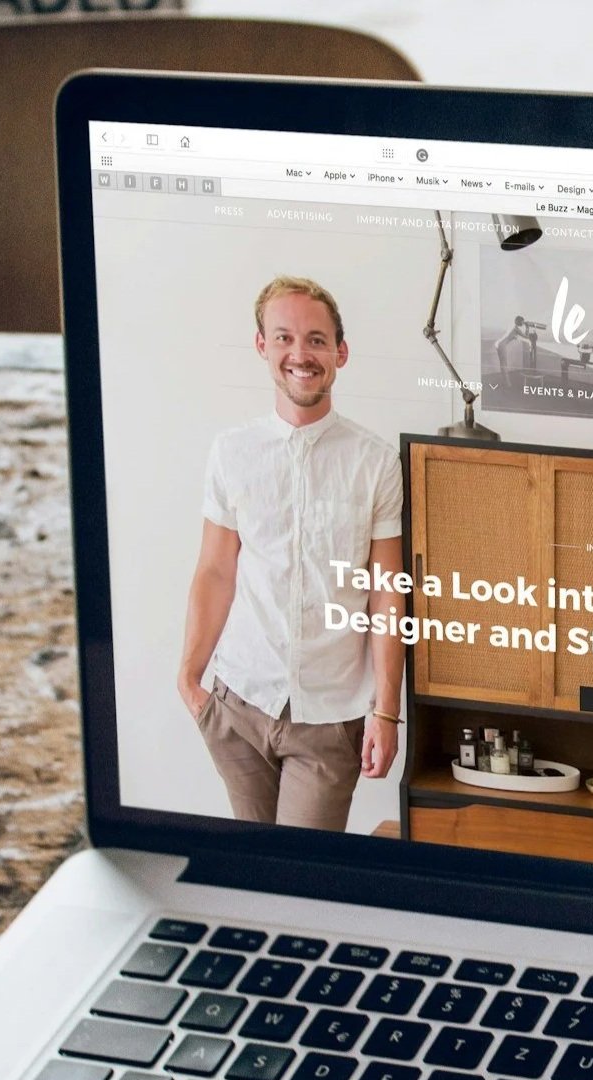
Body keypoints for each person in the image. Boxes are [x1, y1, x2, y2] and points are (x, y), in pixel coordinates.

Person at [176, 276, 404, 831]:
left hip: (331, 717)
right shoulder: (231, 452)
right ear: (262, 346)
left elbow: (387, 593)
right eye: (284, 338)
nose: (300, 354)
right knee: (255, 875)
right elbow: (215, 570)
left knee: (309, 875)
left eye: (316, 340)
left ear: (340, 352)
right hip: (237, 702)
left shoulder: (375, 462)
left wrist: (386, 712)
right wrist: (190, 679)